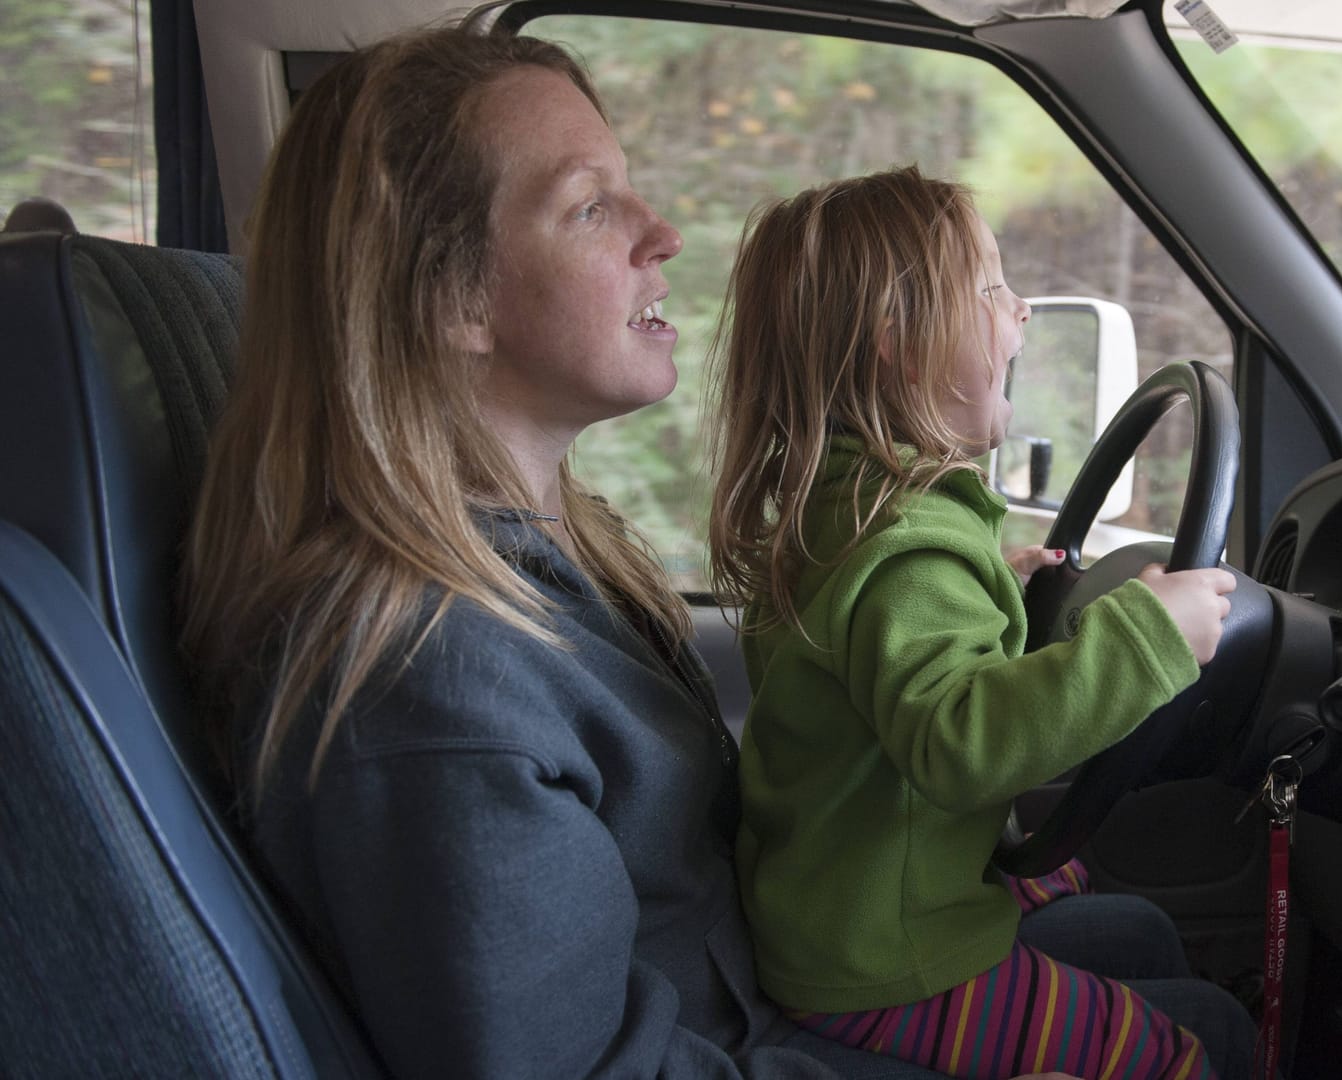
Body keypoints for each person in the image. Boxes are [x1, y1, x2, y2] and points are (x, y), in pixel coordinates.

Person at [178, 25, 1036, 1080]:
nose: (664, 233)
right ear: (454, 297)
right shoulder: (430, 687)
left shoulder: (549, 567)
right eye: (592, 205)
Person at [706, 167, 1252, 1079]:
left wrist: (994, 587)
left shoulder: (852, 516)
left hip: (842, 903)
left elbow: (877, 652)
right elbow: (961, 742)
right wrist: (1149, 636)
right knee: (1191, 1050)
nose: (1024, 309)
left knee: (1135, 926)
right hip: (889, 961)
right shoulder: (910, 548)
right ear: (901, 343)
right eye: (993, 287)